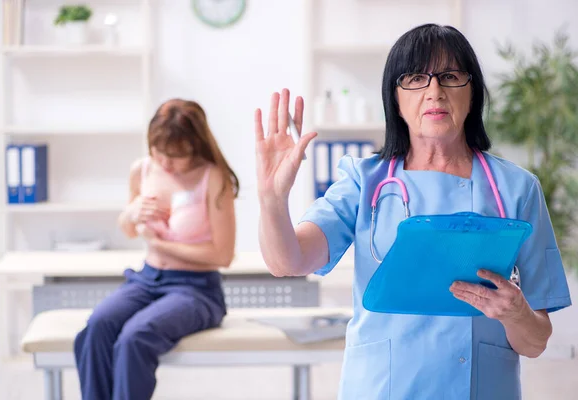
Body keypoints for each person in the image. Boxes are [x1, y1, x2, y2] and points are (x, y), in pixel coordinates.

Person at [255, 24, 572, 399]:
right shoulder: (364, 181)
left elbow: (535, 343)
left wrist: (516, 313)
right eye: (416, 78)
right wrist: (272, 200)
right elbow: (287, 262)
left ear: (472, 93)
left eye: (451, 76)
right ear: (395, 97)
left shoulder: (517, 189)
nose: (434, 92)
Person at [74, 99, 239, 400]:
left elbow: (222, 255)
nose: (165, 163)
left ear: (195, 145)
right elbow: (128, 227)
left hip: (196, 290)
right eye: (158, 151)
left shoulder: (213, 178)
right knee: (97, 327)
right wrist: (132, 213)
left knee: (134, 338)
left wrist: (159, 243)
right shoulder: (143, 169)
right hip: (146, 279)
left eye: (175, 156)